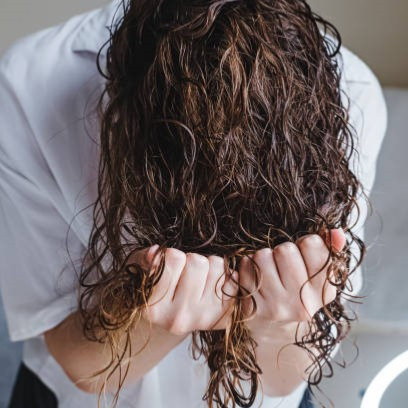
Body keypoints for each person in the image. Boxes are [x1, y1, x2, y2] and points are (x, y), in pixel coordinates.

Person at [0, 0, 387, 407]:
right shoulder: (29, 88)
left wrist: (278, 324)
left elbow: (287, 376)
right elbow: (80, 366)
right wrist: (145, 315)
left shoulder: (351, 92)